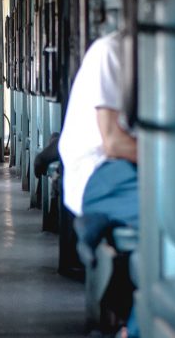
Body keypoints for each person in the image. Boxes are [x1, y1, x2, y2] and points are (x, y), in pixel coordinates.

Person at [59, 30, 138, 247]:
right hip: (100, 167)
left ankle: (105, 217)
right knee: (172, 209)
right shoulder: (111, 51)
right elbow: (114, 143)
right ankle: (100, 213)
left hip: (138, 163)